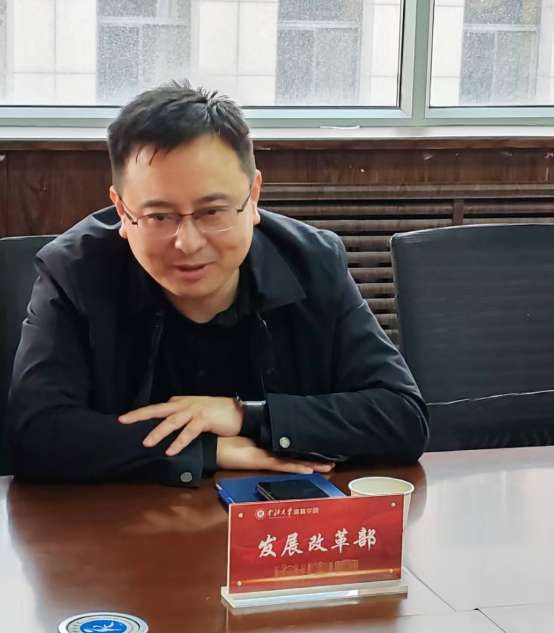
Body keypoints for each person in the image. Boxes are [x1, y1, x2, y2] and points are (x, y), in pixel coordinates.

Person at [9, 80, 429, 487]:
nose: (187, 243)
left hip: (279, 520)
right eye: (159, 216)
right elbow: (35, 435)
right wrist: (209, 450)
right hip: (118, 526)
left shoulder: (312, 262)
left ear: (253, 196)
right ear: (122, 211)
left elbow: (403, 417)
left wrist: (245, 415)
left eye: (212, 212)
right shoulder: (74, 272)